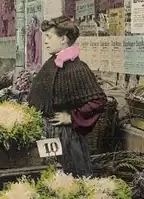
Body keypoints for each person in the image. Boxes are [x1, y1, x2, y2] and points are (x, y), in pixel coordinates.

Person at [27, 16, 107, 177]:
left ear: (63, 39)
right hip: (46, 133)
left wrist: (71, 117)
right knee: (47, 178)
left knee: (68, 180)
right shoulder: (51, 63)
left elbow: (99, 101)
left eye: (49, 37)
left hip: (65, 138)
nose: (46, 41)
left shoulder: (78, 68)